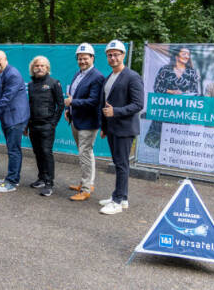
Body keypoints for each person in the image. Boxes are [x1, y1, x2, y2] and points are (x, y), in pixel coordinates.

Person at [99, 40, 143, 215]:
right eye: (110, 55)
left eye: (116, 54)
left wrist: (115, 112)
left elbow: (138, 104)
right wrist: (104, 126)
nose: (113, 57)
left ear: (123, 55)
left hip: (125, 128)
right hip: (112, 128)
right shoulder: (109, 77)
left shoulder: (132, 76)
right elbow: (105, 104)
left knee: (122, 165)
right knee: (119, 163)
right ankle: (121, 197)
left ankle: (117, 202)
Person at [64, 43, 104, 201]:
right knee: (86, 154)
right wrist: (69, 110)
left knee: (85, 154)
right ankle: (86, 182)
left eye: (85, 58)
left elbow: (94, 101)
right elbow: (72, 95)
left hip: (88, 122)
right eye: (80, 58)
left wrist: (73, 103)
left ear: (92, 58)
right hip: (76, 120)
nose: (82, 61)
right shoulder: (78, 74)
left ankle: (86, 189)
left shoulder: (97, 77)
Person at [0, 51, 30, 193]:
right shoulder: (0, 74)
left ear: (5, 59)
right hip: (7, 116)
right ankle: (12, 177)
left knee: (13, 150)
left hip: (16, 118)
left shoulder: (13, 74)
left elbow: (6, 98)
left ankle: (12, 182)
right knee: (12, 149)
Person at [144, 46, 199, 148]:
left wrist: (184, 94)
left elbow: (195, 92)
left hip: (182, 111)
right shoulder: (165, 69)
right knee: (160, 139)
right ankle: (160, 160)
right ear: (177, 56)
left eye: (188, 54)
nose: (187, 56)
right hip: (165, 108)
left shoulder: (192, 72)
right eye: (184, 54)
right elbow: (157, 87)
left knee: (178, 140)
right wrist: (171, 92)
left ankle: (175, 158)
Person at [26, 56, 64, 196]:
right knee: (37, 152)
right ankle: (41, 178)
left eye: (43, 66)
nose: (40, 68)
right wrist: (26, 125)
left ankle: (49, 183)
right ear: (33, 68)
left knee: (46, 153)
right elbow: (29, 105)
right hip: (33, 126)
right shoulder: (30, 85)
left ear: (47, 68)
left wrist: (53, 123)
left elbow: (60, 105)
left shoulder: (54, 83)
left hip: (47, 126)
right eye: (37, 66)